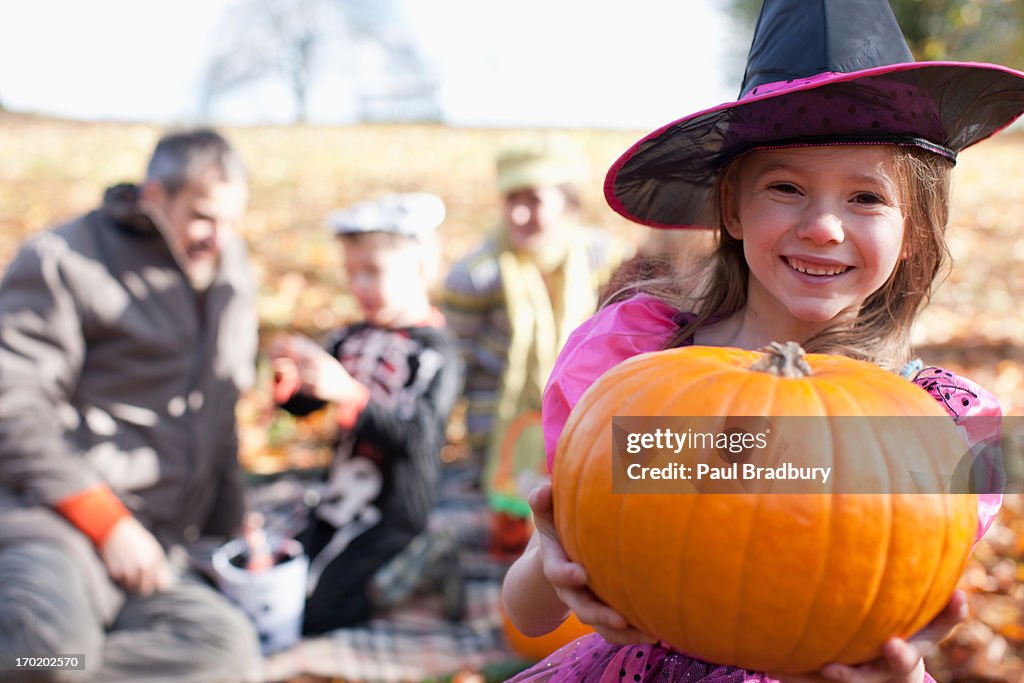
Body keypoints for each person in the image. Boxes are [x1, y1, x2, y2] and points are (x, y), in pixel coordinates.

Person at [501, 1, 1024, 681]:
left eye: (865, 198)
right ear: (732, 208)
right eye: (787, 187)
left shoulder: (946, 428)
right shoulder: (638, 361)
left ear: (914, 231)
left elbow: (895, 616)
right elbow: (530, 611)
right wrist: (554, 549)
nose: (823, 226)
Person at [0, 129, 261, 681]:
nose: (219, 238)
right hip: (48, 520)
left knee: (227, 653)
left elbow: (219, 415)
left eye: (231, 221)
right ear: (153, 196)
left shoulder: (230, 271)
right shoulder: (64, 260)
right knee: (52, 653)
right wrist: (105, 521)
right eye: (203, 217)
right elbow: (11, 403)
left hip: (152, 545)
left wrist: (234, 529)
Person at [270, 192, 464, 633]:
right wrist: (291, 380)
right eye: (352, 273)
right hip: (342, 495)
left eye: (373, 272)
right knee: (281, 575)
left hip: (396, 507)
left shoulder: (436, 351)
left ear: (419, 268)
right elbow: (307, 405)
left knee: (319, 612)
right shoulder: (350, 336)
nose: (359, 286)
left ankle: (423, 556)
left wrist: (350, 394)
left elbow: (419, 437)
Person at [441, 135, 633, 553]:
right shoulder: (478, 275)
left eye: (534, 200)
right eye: (511, 200)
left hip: (585, 415)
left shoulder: (607, 261)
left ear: (568, 204)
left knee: (578, 527)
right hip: (501, 426)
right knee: (513, 537)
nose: (520, 213)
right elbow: (454, 363)